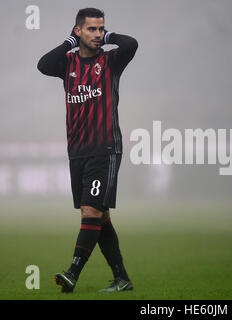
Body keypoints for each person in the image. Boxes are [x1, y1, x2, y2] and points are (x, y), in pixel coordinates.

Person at [37, 7, 138, 293]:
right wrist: (69, 41)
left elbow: (131, 44)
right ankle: (122, 279)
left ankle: (72, 273)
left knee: (90, 211)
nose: (98, 34)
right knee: (100, 217)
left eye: (101, 29)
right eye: (91, 29)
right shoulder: (67, 64)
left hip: (104, 148)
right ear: (78, 30)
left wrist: (109, 36)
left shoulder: (111, 61)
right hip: (77, 150)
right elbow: (43, 64)